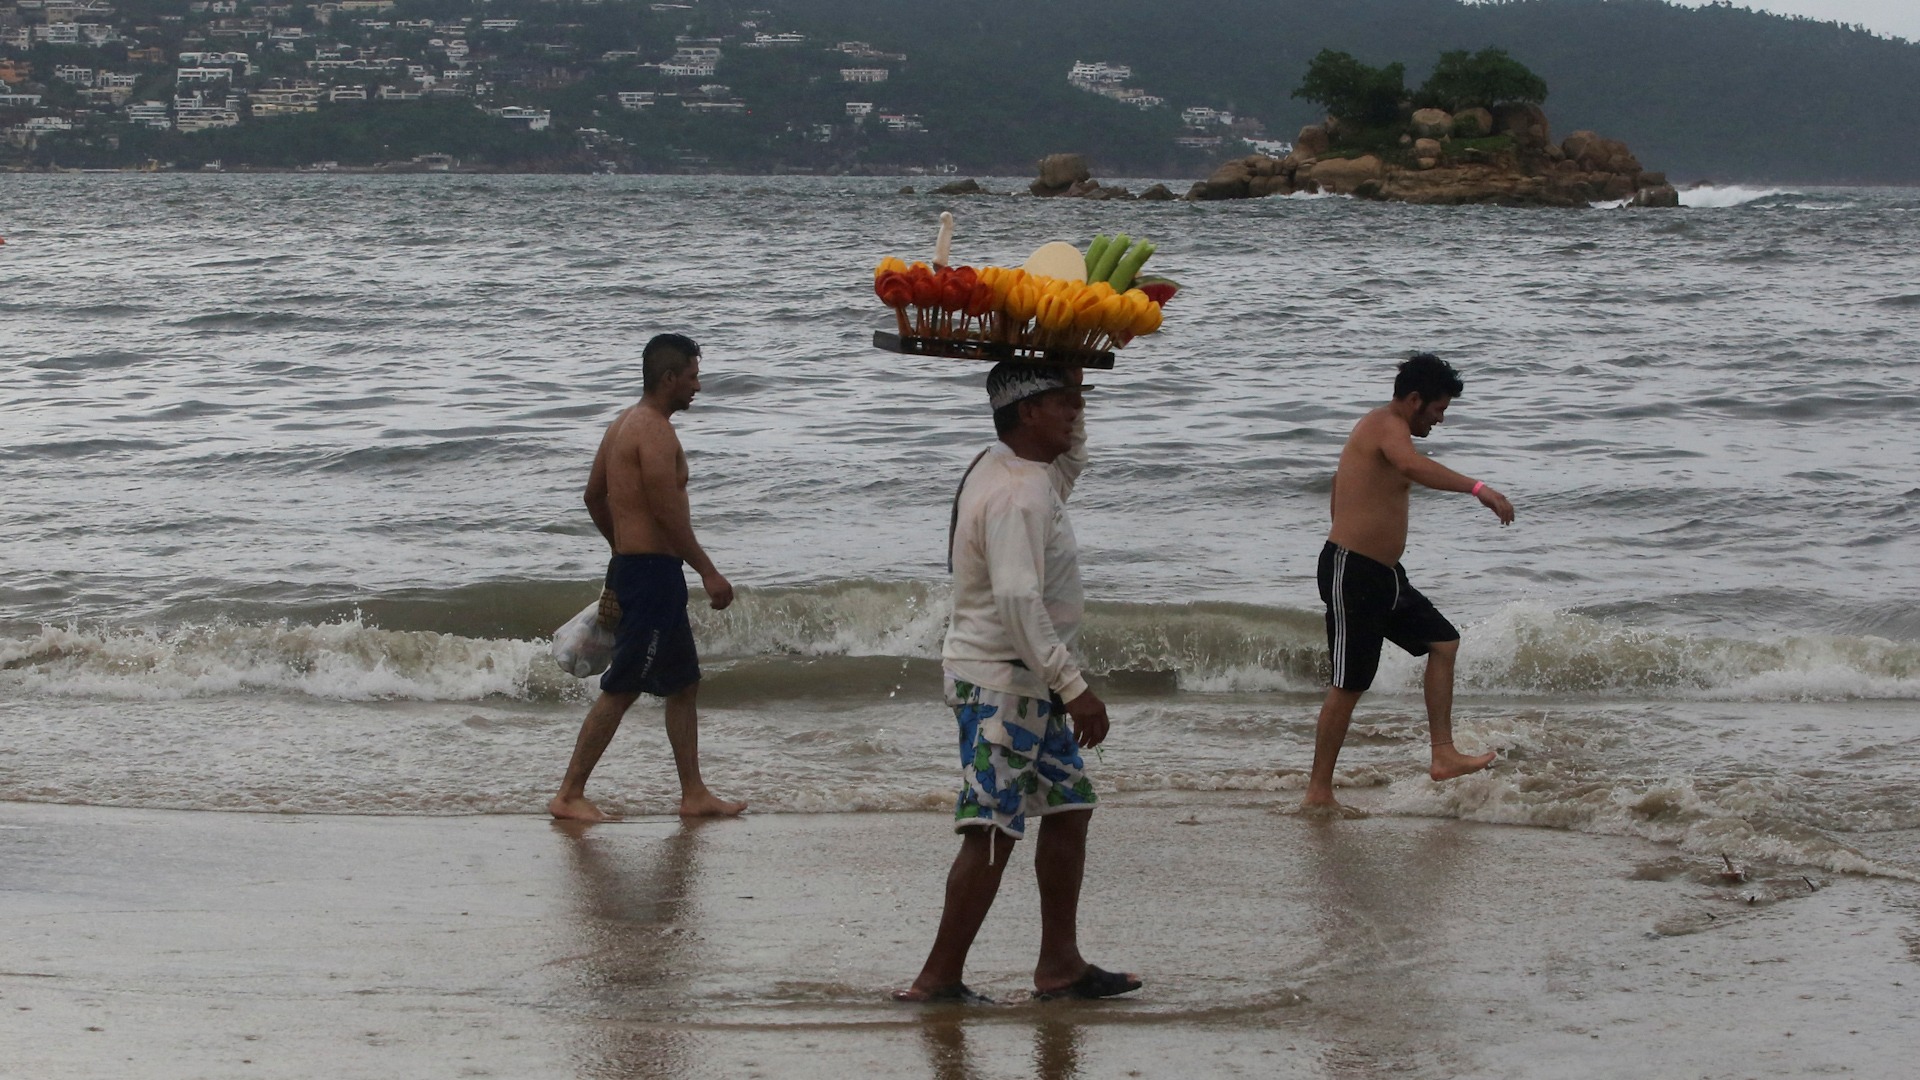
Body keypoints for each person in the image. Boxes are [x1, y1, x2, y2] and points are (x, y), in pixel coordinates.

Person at [894, 362, 1140, 1005]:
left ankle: (1060, 965)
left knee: (1068, 808)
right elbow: (1015, 601)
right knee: (992, 829)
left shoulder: (1016, 467)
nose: (1075, 412)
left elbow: (1071, 462)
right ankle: (936, 979)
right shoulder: (1015, 493)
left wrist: (1071, 370)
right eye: (1064, 402)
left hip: (1027, 684)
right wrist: (1074, 684)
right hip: (1002, 684)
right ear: (1028, 413)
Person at [1305, 352, 1515, 817]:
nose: (1440, 420)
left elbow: (1338, 491)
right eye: (1438, 410)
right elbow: (1411, 466)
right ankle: (1319, 792)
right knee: (1348, 684)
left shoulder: (1382, 429)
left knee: (1443, 641)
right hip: (1352, 571)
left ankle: (1443, 754)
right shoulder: (1385, 425)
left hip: (1384, 575)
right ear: (1415, 400)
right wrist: (1480, 489)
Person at [548, 333, 745, 823]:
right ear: (669, 378)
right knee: (624, 685)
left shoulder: (622, 424)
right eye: (693, 376)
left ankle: (694, 793)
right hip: (652, 576)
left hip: (637, 568)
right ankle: (569, 793)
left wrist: (620, 545)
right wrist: (708, 571)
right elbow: (665, 510)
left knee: (683, 683)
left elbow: (594, 495)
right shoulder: (654, 431)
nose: (698, 385)